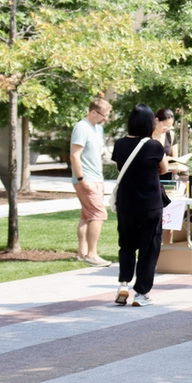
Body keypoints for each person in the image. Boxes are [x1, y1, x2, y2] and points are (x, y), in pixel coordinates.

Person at [111, 104, 169, 306]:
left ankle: (123, 284)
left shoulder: (119, 144)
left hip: (126, 203)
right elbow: (164, 169)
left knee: (126, 246)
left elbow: (120, 168)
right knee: (149, 247)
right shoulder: (154, 146)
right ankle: (141, 293)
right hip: (150, 205)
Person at [70, 98, 113, 267]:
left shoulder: (98, 128)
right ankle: (92, 255)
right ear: (93, 112)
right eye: (104, 115)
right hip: (86, 179)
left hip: (96, 178)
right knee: (98, 215)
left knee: (87, 215)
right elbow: (75, 155)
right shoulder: (81, 127)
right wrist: (82, 180)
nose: (106, 118)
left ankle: (82, 253)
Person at [152, 108, 178, 181]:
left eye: (169, 126)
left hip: (167, 178)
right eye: (165, 125)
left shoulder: (171, 135)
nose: (166, 129)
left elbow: (175, 158)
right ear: (156, 120)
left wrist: (176, 167)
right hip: (151, 177)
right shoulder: (147, 136)